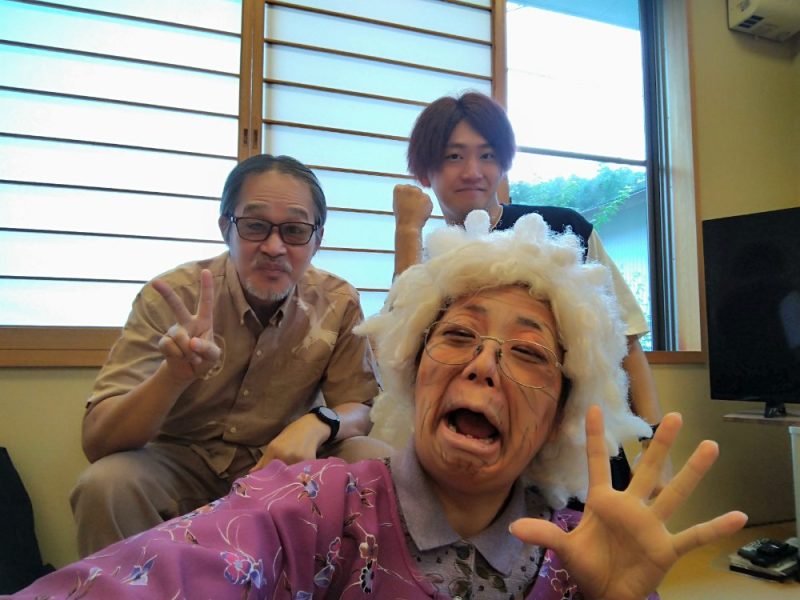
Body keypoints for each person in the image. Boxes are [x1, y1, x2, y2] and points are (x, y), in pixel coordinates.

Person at [8, 211, 747, 600]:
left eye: (527, 352)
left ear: (560, 412)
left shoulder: (581, 557)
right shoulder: (313, 509)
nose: (484, 363)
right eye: (457, 335)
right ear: (414, 371)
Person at [69, 154, 380, 557]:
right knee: (106, 485)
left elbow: (360, 407)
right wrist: (173, 376)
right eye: (254, 226)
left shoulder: (337, 302)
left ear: (317, 239)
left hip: (281, 466)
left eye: (294, 230)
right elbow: (98, 442)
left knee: (374, 459)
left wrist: (318, 422)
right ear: (225, 228)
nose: (274, 247)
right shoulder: (172, 296)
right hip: (180, 464)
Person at [391, 91, 666, 489]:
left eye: (487, 155)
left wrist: (653, 445)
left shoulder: (564, 231)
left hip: (579, 453)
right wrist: (406, 231)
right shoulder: (429, 260)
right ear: (424, 171)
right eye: (454, 156)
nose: (472, 171)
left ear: (504, 163)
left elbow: (626, 342)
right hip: (480, 455)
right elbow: (397, 357)